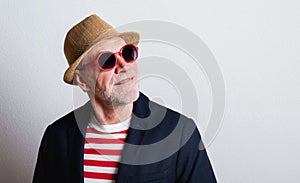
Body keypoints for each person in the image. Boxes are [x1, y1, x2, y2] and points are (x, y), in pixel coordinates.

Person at [33, 14, 217, 183]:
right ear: (82, 81)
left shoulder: (180, 132)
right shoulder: (57, 137)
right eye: (107, 60)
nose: (123, 66)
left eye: (127, 53)